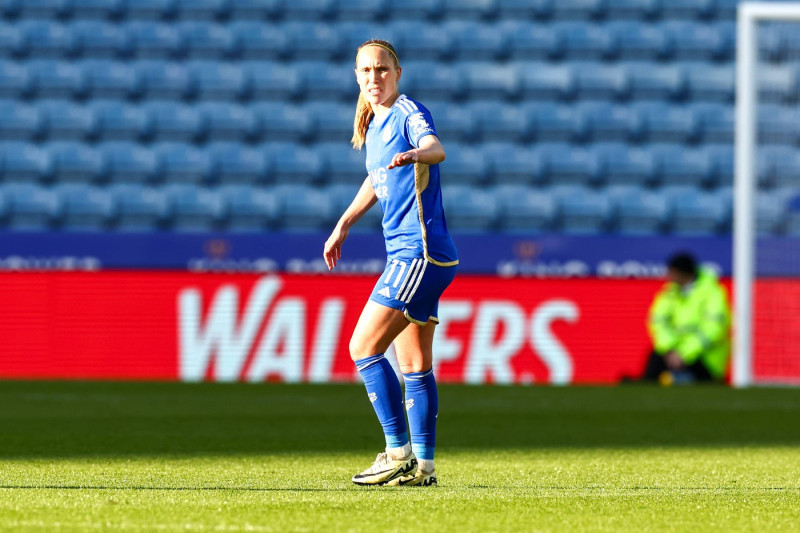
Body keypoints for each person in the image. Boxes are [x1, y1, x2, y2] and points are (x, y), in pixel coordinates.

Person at [323, 39, 458, 487]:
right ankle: (424, 468)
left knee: (362, 348)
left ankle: (396, 452)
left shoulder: (406, 112)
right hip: (427, 255)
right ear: (357, 78)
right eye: (365, 71)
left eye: (382, 69)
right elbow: (375, 179)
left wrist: (420, 154)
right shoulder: (376, 126)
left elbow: (435, 147)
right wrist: (343, 223)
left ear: (397, 73)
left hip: (416, 254)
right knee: (415, 364)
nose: (374, 78)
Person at [641, 252, 731, 384]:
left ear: (682, 273)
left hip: (705, 358)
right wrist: (669, 349)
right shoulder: (669, 292)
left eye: (671, 272)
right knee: (654, 361)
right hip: (675, 352)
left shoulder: (713, 292)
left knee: (685, 377)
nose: (668, 276)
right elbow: (657, 321)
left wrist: (684, 353)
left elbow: (714, 330)